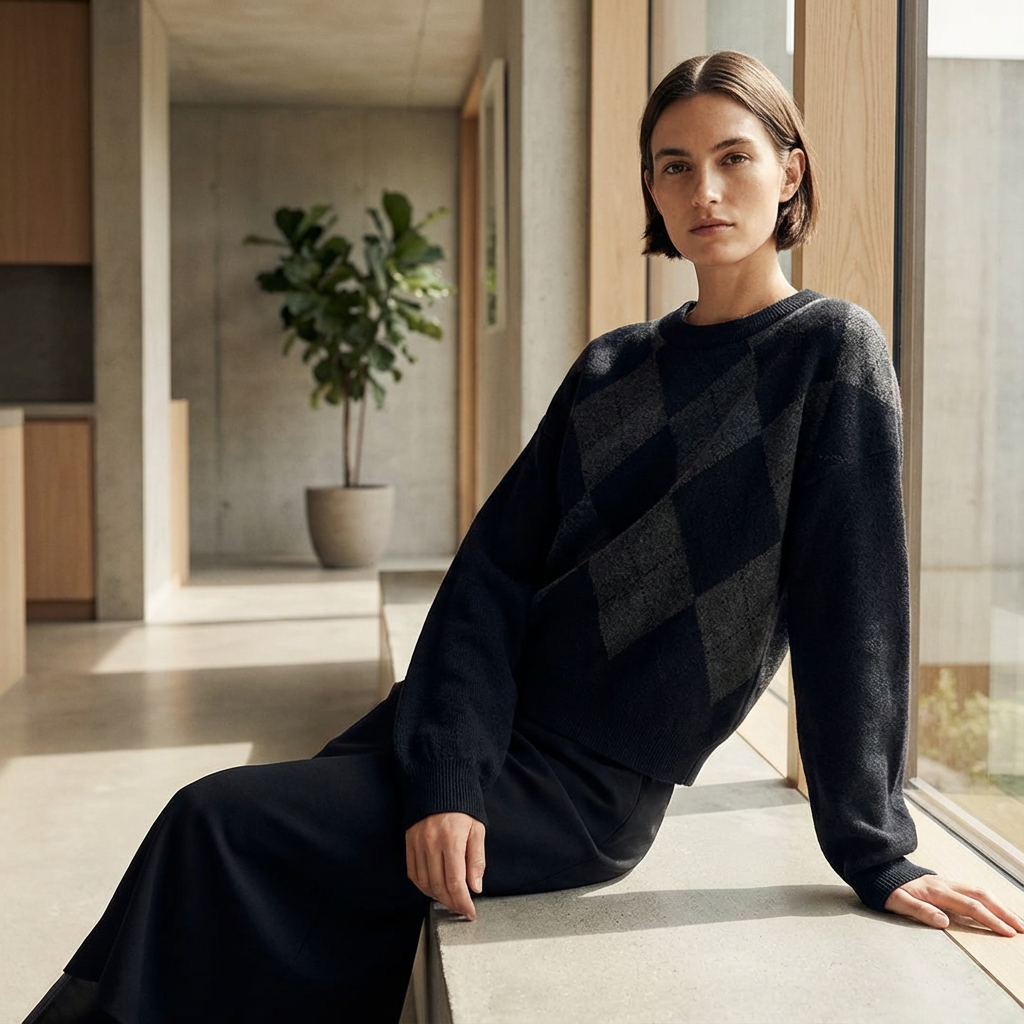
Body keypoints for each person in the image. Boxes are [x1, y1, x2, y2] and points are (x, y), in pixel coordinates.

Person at [25, 50, 1023, 1024]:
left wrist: (877, 849)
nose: (703, 189)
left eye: (733, 157)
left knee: (212, 823)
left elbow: (856, 610)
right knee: (217, 830)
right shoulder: (612, 367)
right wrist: (452, 772)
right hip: (484, 731)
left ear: (789, 169)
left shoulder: (830, 352)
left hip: (585, 789)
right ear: (649, 187)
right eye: (673, 166)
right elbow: (488, 582)